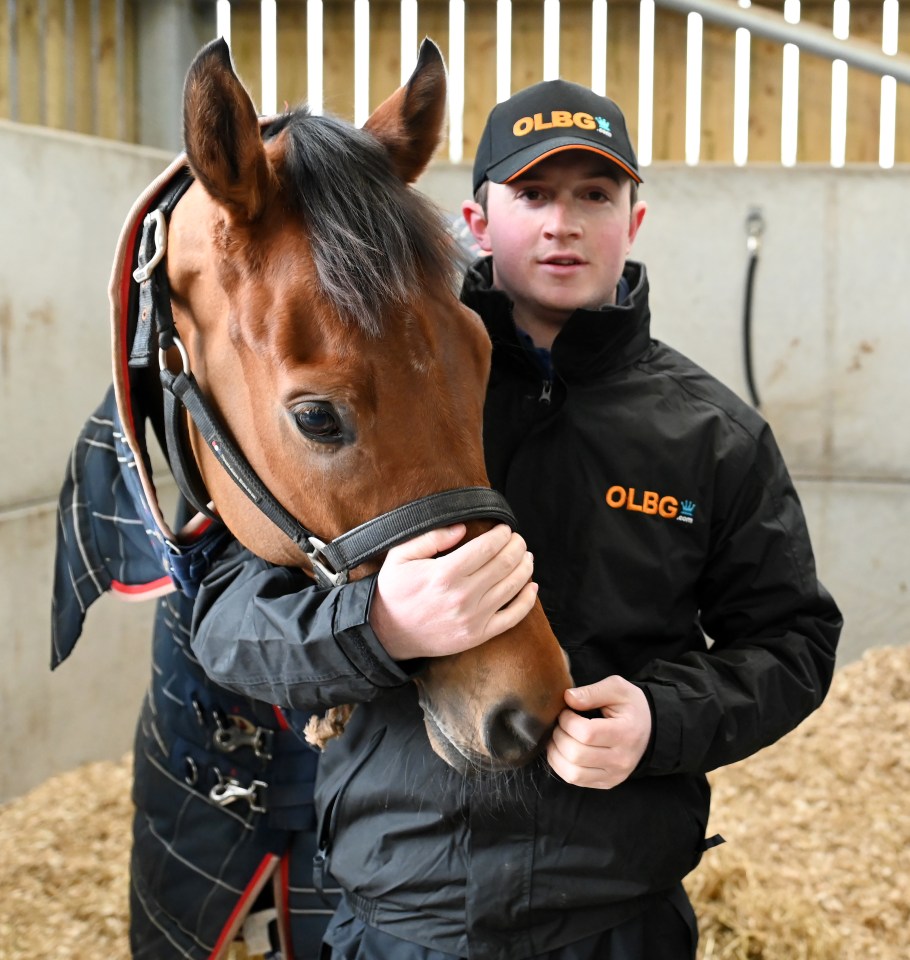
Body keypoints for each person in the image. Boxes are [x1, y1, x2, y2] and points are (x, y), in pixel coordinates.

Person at [191, 79, 842, 960]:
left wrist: (663, 720)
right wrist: (380, 625)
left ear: (633, 224)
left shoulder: (714, 436)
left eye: (594, 196)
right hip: (402, 916)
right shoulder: (381, 385)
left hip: (616, 918)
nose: (562, 223)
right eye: (532, 195)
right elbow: (226, 627)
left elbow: (794, 643)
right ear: (477, 220)